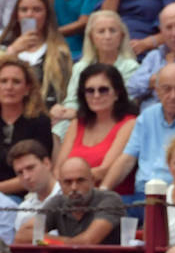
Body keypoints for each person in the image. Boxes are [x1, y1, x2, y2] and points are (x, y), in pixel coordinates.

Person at [104, 63, 175, 194]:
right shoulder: (147, 115)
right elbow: (126, 160)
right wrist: (104, 189)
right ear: (157, 91)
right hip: (142, 194)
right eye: (166, 89)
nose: (173, 95)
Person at [54, 62, 138, 193]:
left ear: (117, 93)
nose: (96, 95)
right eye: (90, 90)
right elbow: (59, 169)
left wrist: (70, 180)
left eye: (103, 90)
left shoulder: (130, 123)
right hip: (72, 198)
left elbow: (104, 170)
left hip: (111, 199)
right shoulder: (77, 124)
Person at [53, 9, 139, 133]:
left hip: (115, 119)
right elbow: (72, 100)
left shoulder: (130, 66)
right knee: (59, 128)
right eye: (101, 31)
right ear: (91, 37)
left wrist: (78, 113)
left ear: (121, 36)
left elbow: (126, 103)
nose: (107, 36)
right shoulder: (81, 67)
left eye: (112, 31)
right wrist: (62, 111)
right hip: (80, 117)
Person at [0, 56, 53, 195]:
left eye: (16, 82)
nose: (9, 87)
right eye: (3, 81)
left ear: (27, 89)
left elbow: (36, 174)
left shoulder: (40, 122)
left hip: (25, 196)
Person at [0, 0, 73, 111]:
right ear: (17, 15)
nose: (29, 14)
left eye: (37, 10)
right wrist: (13, 51)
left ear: (46, 15)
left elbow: (64, 92)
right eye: (24, 10)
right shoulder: (4, 48)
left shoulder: (59, 52)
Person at [20, 158, 125, 244]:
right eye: (68, 182)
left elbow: (87, 242)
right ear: (60, 184)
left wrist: (44, 239)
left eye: (80, 180)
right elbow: (22, 236)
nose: (74, 187)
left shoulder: (110, 200)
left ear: (92, 180)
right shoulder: (57, 202)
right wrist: (66, 242)